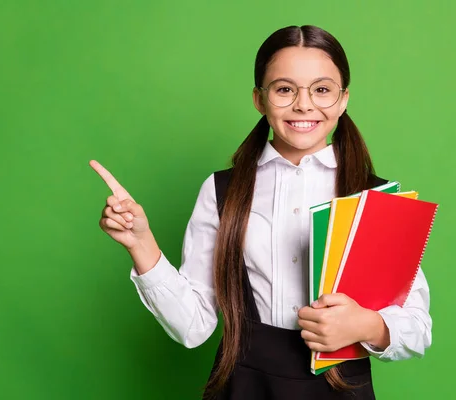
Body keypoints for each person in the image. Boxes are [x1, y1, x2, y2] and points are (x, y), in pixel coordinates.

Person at [90, 25, 432, 400]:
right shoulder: (222, 191)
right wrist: (142, 245)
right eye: (285, 89)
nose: (304, 104)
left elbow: (416, 328)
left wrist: (366, 325)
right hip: (244, 386)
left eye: (321, 89)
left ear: (343, 99)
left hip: (341, 389)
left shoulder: (377, 200)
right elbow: (193, 327)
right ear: (259, 99)